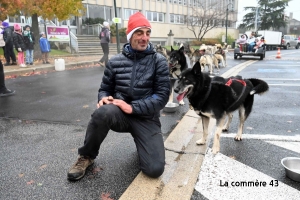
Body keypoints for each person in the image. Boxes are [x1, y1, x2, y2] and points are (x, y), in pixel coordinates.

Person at [67, 12, 170, 181]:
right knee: (102, 113)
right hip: (120, 115)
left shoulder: (158, 61)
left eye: (148, 33)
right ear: (130, 35)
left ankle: (143, 144)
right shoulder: (115, 62)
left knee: (154, 169)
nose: (145, 38)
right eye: (139, 32)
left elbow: (162, 96)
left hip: (146, 118)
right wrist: (103, 98)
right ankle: (86, 156)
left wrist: (132, 107)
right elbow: (105, 89)